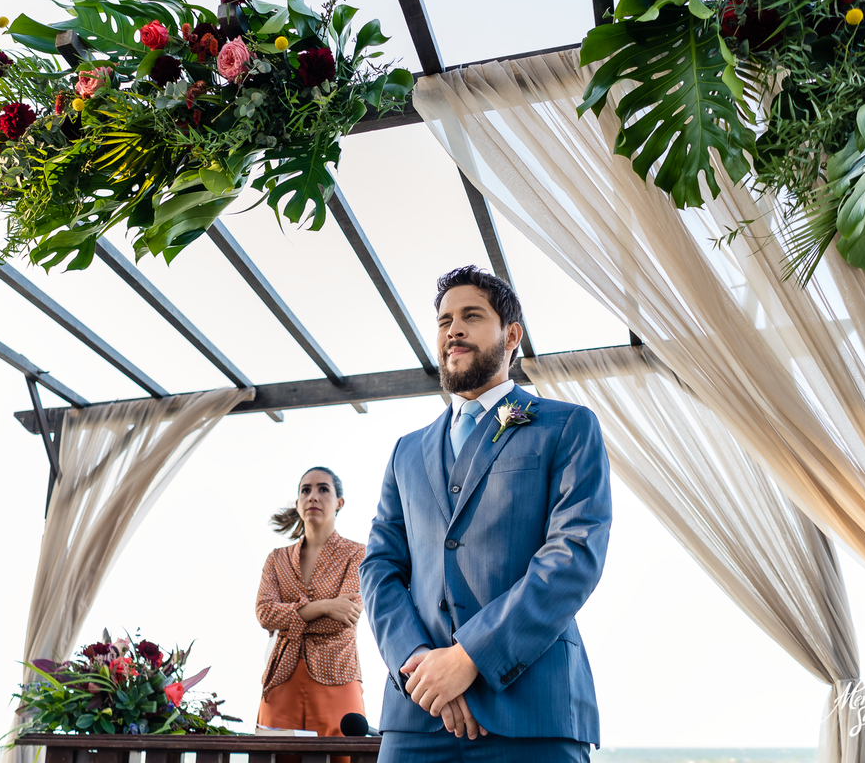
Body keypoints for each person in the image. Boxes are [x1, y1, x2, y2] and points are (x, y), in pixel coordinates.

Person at [360, 266, 613, 763]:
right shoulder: (406, 452)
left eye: (471, 316)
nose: (453, 329)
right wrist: (418, 663)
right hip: (417, 716)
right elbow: (379, 568)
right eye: (444, 320)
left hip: (533, 712)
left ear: (511, 336)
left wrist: (469, 657)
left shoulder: (567, 426)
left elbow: (573, 555)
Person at [256, 466, 368, 745]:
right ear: (297, 503)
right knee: (276, 757)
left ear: (339, 503)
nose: (313, 496)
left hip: (338, 677)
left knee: (342, 758)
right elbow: (265, 613)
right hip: (281, 682)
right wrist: (325, 606)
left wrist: (290, 617)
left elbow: (344, 617)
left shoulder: (357, 554)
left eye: (323, 489)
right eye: (305, 490)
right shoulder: (276, 559)